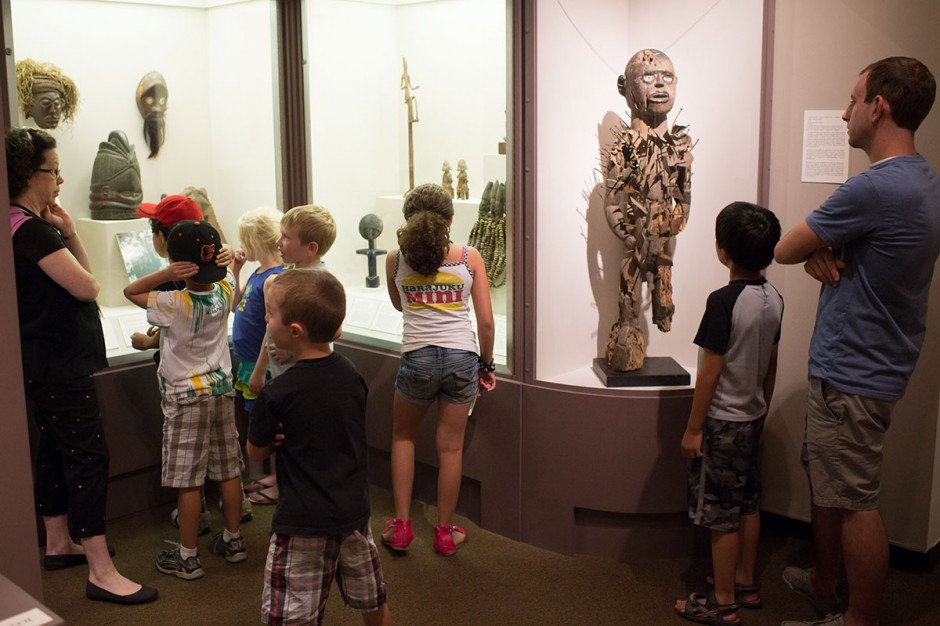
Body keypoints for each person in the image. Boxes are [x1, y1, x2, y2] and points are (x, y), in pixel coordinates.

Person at [774, 57, 940, 626]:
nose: (845, 113)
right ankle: (825, 584)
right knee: (831, 484)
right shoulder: (924, 179)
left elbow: (785, 248)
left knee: (855, 504)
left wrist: (814, 247)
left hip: (853, 373)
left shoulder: (874, 187)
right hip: (871, 364)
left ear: (880, 107)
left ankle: (859, 618)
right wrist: (824, 247)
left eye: (853, 100)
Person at [6, 127, 157, 605]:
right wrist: (63, 234)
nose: (59, 180)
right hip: (58, 362)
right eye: (53, 171)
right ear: (30, 175)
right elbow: (88, 286)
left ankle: (57, 541)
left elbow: (84, 277)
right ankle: (101, 570)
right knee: (89, 456)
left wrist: (69, 229)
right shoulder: (28, 230)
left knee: (54, 447)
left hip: (45, 361)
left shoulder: (29, 224)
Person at [247, 269, 391, 626]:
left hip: (302, 521)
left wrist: (274, 441)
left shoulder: (277, 392)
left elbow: (254, 451)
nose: (265, 318)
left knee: (290, 615)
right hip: (353, 512)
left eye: (269, 312)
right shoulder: (351, 373)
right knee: (372, 599)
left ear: (294, 331)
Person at [674, 202, 783, 626]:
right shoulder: (775, 298)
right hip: (753, 416)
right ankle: (745, 582)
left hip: (722, 423)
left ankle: (723, 604)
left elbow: (710, 371)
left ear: (723, 251)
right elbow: (771, 363)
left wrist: (693, 428)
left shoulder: (722, 301)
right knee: (749, 503)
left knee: (720, 515)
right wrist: (762, 408)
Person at [124, 220, 247, 581]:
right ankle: (234, 540)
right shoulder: (223, 292)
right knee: (229, 470)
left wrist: (165, 273)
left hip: (185, 398)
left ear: (178, 262)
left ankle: (188, 557)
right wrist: (233, 266)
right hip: (222, 392)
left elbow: (131, 291)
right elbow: (234, 289)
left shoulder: (172, 301)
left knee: (189, 481)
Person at [382, 183, 496, 556]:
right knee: (450, 450)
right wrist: (487, 364)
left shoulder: (395, 259)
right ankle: (445, 533)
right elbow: (487, 323)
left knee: (403, 438)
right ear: (449, 219)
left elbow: (400, 307)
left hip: (417, 359)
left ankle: (400, 529)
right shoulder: (469, 257)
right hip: (462, 359)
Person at [603, 48, 693, 371]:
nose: (659, 86)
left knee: (664, 301)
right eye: (649, 77)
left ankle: (659, 312)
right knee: (628, 296)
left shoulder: (680, 144)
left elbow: (684, 195)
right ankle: (627, 338)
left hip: (663, 238)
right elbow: (612, 200)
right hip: (635, 239)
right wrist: (627, 234)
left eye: (667, 78)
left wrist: (673, 224)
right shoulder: (624, 145)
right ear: (624, 87)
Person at [245, 204, 337, 505]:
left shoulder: (325, 284)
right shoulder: (284, 278)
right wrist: (260, 369)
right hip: (280, 378)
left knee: (299, 436)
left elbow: (333, 331)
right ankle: (281, 479)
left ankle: (289, 486)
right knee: (280, 433)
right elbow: (269, 328)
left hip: (307, 382)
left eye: (286, 237)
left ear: (310, 248)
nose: (278, 242)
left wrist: (294, 347)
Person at [231, 207, 284, 484]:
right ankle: (258, 477)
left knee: (268, 423)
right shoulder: (256, 272)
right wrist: (236, 271)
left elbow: (271, 329)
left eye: (243, 240)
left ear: (254, 240)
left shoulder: (273, 278)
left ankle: (275, 478)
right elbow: (234, 305)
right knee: (255, 422)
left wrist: (260, 370)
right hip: (248, 360)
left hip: (259, 363)